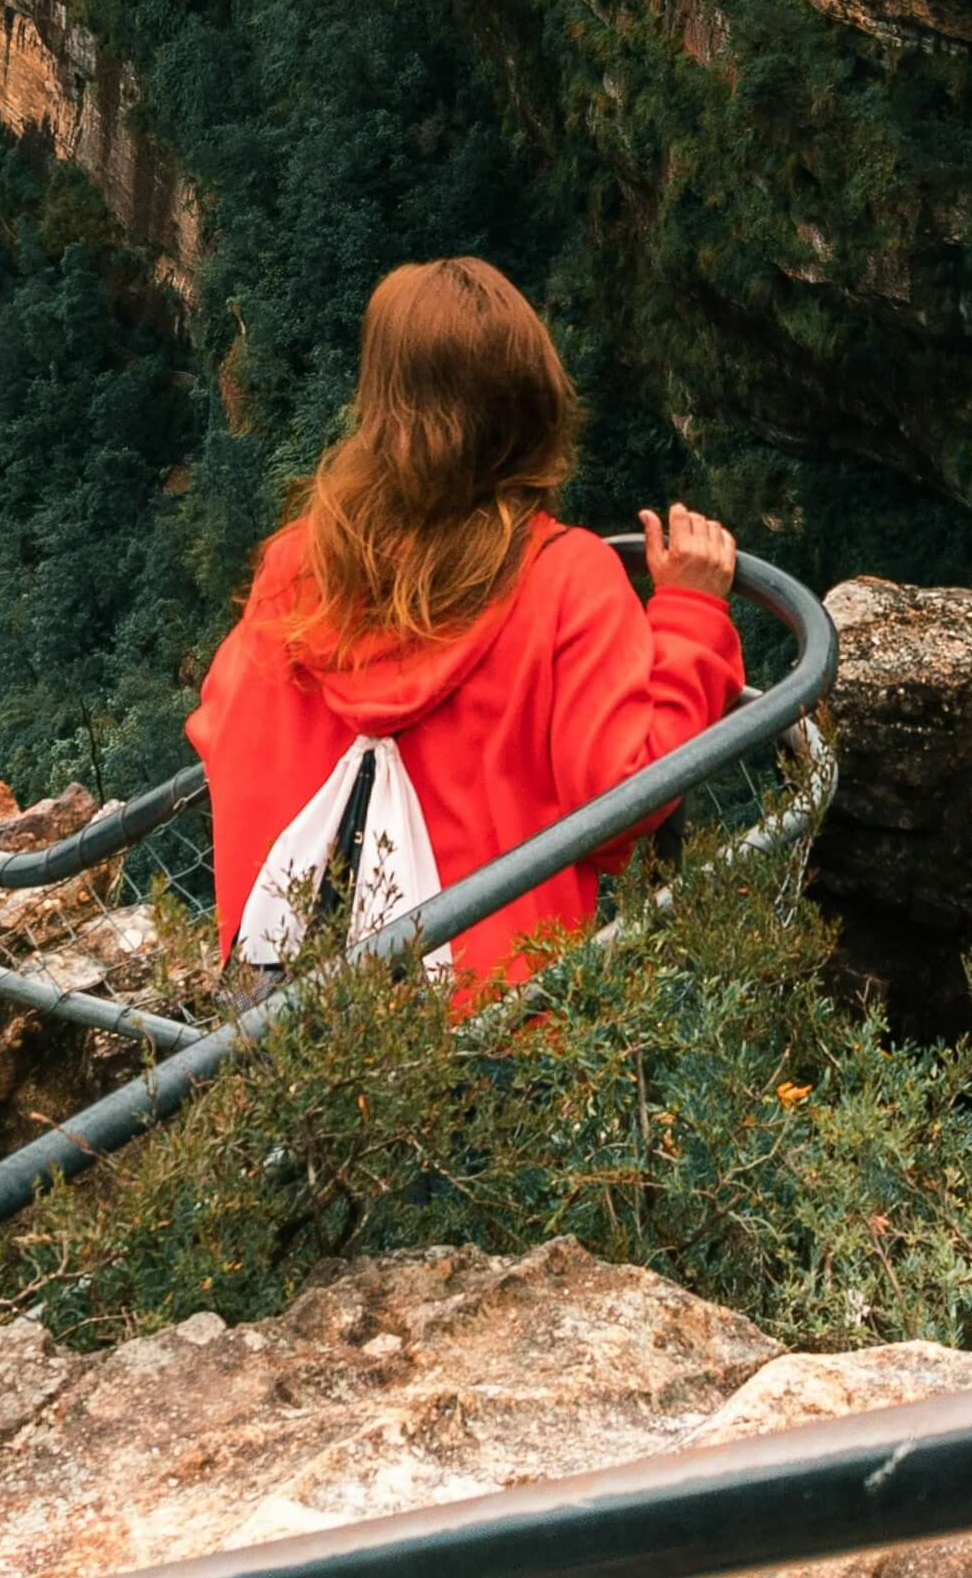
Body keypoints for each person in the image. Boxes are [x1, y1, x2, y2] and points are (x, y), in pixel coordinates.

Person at [187, 257, 745, 1013]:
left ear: (380, 403)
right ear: (533, 400)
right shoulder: (564, 577)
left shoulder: (301, 561)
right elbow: (623, 796)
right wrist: (688, 613)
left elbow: (220, 726)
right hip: (485, 1028)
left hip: (284, 1011)